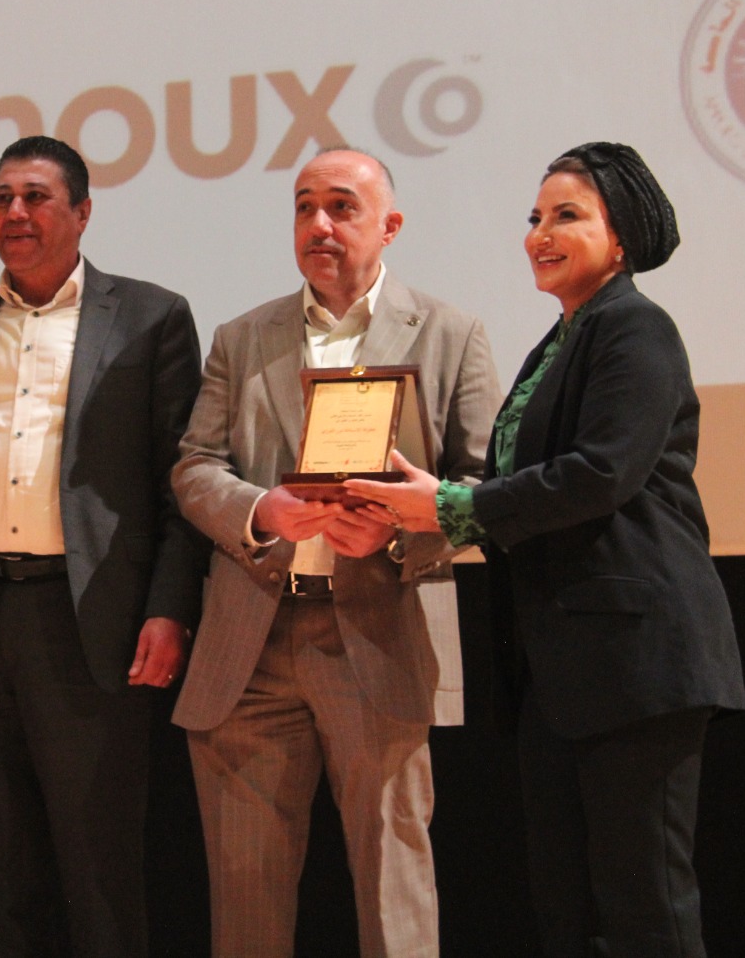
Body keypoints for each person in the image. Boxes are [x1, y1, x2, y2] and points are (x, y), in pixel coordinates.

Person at [345, 142, 745, 957]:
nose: (540, 234)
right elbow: (522, 488)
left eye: (567, 216)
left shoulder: (636, 328)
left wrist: (448, 506)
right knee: (570, 909)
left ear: (621, 237)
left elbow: (599, 475)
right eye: (535, 217)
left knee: (644, 906)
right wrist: (430, 503)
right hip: (562, 666)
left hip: (636, 661)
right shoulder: (560, 342)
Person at [0, 135, 207, 956]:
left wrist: (170, 610)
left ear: (83, 213)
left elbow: (182, 487)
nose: (14, 213)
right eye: (1, 198)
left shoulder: (151, 317)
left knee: (100, 867)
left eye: (35, 197)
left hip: (89, 625)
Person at [172, 147, 502, 957]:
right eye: (303, 206)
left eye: (342, 207)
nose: (318, 224)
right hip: (252, 641)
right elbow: (195, 467)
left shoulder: (450, 333)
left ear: (390, 226)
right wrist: (262, 511)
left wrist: (401, 530)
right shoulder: (242, 337)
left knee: (395, 893)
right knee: (245, 905)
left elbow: (488, 489)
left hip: (382, 632)